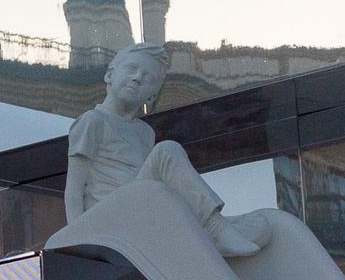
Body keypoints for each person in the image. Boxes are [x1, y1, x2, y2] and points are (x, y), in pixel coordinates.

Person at [64, 42, 265, 258]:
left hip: (145, 210)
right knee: (167, 151)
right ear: (110, 75)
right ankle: (216, 229)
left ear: (151, 97)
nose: (138, 78)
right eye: (131, 69)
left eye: (149, 78)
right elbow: (74, 189)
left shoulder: (144, 132)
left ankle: (211, 227)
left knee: (260, 224)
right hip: (112, 217)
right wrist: (81, 242)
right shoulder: (93, 121)